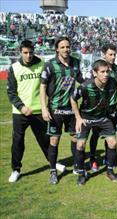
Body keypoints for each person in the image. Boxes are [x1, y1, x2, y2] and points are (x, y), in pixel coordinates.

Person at [6, 40, 63, 182]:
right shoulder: (14, 67)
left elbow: (48, 85)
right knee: (18, 141)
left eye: (31, 52)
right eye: (25, 52)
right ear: (20, 52)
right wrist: (22, 107)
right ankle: (16, 169)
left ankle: (53, 164)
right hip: (21, 113)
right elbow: (11, 92)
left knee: (45, 140)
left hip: (39, 110)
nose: (28, 55)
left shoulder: (42, 64)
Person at [40, 36, 84, 184]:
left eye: (68, 46)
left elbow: (80, 80)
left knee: (76, 139)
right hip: (55, 109)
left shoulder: (76, 62)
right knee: (54, 140)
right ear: (57, 49)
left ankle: (77, 167)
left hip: (72, 108)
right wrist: (44, 108)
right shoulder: (50, 65)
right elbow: (42, 87)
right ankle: (53, 171)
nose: (66, 49)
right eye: (63, 47)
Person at [71, 60, 117, 185]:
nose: (106, 75)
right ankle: (81, 174)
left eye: (107, 71)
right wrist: (78, 118)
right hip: (86, 118)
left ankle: (109, 171)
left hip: (103, 118)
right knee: (80, 145)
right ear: (94, 73)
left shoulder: (113, 83)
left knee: (113, 143)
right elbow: (73, 99)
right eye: (102, 72)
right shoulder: (86, 86)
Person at [89, 43, 117, 172]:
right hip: (98, 109)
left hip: (112, 109)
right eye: (110, 54)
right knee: (95, 135)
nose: (113, 57)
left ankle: (108, 159)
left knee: (111, 134)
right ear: (104, 55)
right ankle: (92, 158)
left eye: (114, 54)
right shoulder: (98, 68)